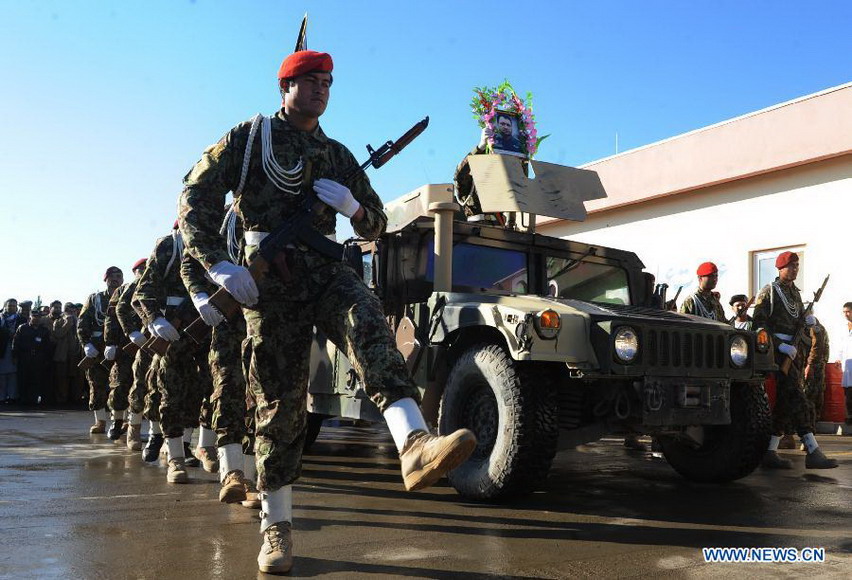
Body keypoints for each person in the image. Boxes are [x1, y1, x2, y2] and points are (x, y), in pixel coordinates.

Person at [178, 49, 477, 574]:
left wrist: (356, 209)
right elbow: (193, 198)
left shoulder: (337, 155)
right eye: (311, 81)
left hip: (325, 271)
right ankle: (277, 526)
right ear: (284, 87)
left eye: (328, 83)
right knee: (279, 400)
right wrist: (220, 266)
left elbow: (377, 226)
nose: (322, 90)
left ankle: (414, 443)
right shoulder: (249, 142)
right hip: (267, 283)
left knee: (368, 323)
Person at [133, 222, 214, 482]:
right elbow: (143, 291)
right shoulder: (170, 246)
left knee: (204, 389)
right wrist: (154, 320)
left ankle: (192, 446)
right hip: (174, 331)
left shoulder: (215, 239)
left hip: (208, 327)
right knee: (170, 391)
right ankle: (175, 457)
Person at [752, 251, 837, 469]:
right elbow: (759, 325)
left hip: (794, 353)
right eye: (791, 265)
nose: (795, 269)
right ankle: (812, 450)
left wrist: (809, 320)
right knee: (799, 399)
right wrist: (779, 345)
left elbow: (798, 322)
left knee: (784, 402)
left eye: (797, 265)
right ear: (780, 268)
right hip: (780, 353)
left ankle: (770, 451)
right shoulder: (769, 292)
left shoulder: (795, 294)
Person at [78, 266, 124, 433]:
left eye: (119, 276)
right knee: (96, 384)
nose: (115, 279)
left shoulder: (126, 295)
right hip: (97, 348)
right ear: (105, 279)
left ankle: (119, 420)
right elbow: (82, 323)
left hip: (120, 347)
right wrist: (86, 344)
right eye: (111, 276)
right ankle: (100, 421)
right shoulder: (95, 299)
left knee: (121, 384)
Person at [116, 258, 153, 451]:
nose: (144, 271)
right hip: (143, 338)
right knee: (140, 384)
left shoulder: (159, 278)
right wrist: (132, 332)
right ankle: (134, 427)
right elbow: (120, 308)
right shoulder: (133, 286)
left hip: (166, 334)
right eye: (141, 269)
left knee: (162, 386)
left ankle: (161, 433)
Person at [12, 310, 52, 405]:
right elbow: (15, 342)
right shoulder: (22, 328)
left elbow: (47, 346)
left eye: (38, 317)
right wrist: (14, 356)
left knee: (36, 378)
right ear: (30, 317)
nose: (36, 318)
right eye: (34, 316)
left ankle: (33, 399)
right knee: (23, 378)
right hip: (24, 356)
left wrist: (46, 359)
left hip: (38, 357)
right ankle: (23, 398)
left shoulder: (44, 330)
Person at [50, 302, 78, 405]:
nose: (71, 313)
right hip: (62, 355)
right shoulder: (58, 321)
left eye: (73, 311)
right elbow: (57, 334)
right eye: (69, 311)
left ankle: (75, 399)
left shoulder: (79, 321)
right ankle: (61, 399)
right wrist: (67, 324)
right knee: (61, 378)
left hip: (75, 354)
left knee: (76, 378)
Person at [0, 299, 22, 404]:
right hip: (3, 349)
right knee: (2, 374)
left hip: (15, 349)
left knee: (13, 374)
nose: (12, 307)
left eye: (14, 306)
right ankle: (2, 397)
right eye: (10, 305)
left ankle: (13, 396)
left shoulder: (20, 319)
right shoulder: (1, 318)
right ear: (5, 306)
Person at [836, 302, 852, 435]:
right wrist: (838, 358)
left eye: (848, 311)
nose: (846, 314)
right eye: (844, 312)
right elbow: (842, 345)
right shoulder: (843, 328)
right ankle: (849, 417)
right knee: (848, 392)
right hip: (847, 365)